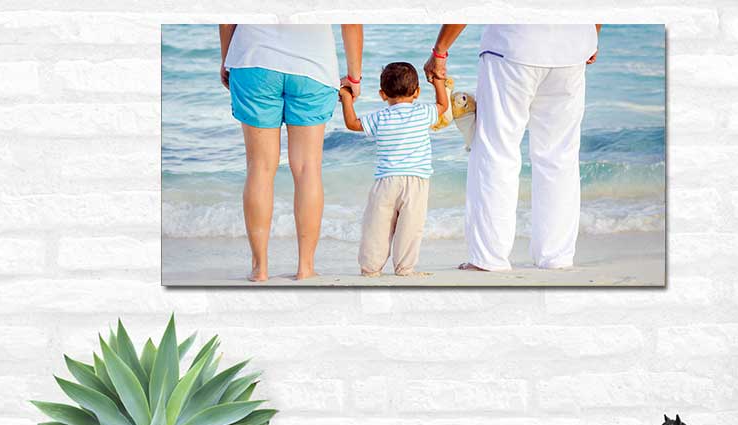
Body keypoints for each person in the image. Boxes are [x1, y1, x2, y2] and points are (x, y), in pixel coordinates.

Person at [424, 24, 599, 272]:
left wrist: (440, 51)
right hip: (572, 49)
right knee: (559, 156)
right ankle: (556, 257)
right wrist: (593, 34)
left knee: (496, 151)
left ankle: (489, 258)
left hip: (513, 45)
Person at [219, 24, 364, 282]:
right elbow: (351, 21)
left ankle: (259, 268)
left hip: (254, 59)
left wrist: (227, 58)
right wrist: (354, 76)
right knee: (308, 168)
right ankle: (305, 267)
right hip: (313, 66)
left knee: (260, 167)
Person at [338, 63, 450, 278]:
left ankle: (370, 268)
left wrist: (346, 97)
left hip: (386, 181)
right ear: (416, 92)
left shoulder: (379, 117)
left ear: (382, 94)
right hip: (416, 181)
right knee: (411, 227)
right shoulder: (424, 112)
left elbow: (352, 124)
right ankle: (405, 268)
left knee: (376, 226)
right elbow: (443, 105)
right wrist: (438, 81)